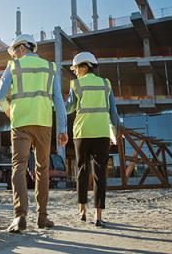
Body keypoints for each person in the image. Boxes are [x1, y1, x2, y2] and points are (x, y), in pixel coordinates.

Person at [0, 34, 68, 233]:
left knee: (18, 167)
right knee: (42, 169)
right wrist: (62, 128)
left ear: (21, 48)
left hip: (20, 123)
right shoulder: (50, 67)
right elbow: (58, 101)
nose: (14, 55)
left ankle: (19, 216)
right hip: (44, 123)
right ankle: (42, 217)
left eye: (14, 51)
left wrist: (9, 111)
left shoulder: (14, 66)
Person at [66, 51, 119, 227]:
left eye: (76, 68)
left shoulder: (76, 85)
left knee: (81, 170)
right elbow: (113, 112)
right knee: (100, 174)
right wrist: (115, 131)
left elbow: (69, 108)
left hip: (82, 133)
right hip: (102, 132)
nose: (74, 72)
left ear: (85, 66)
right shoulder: (106, 84)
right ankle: (98, 216)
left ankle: (82, 211)